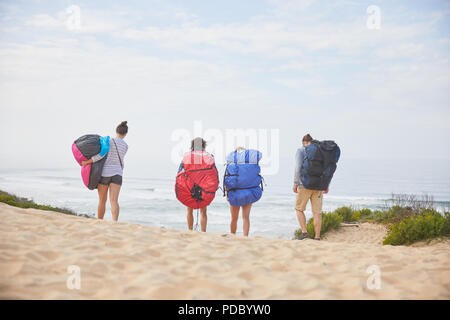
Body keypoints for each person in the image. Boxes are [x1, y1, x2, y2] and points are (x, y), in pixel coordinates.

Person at [82, 121, 129, 221]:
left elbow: (101, 155)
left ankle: (100, 221)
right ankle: (114, 222)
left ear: (116, 131)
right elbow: (121, 160)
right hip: (117, 174)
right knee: (114, 201)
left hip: (105, 174)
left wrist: (87, 162)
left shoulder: (109, 141)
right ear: (125, 134)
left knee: (102, 201)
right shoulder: (125, 146)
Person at [293, 134, 328, 240]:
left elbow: (298, 168)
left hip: (304, 185)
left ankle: (304, 233)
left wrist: (295, 183)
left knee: (299, 209)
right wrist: (326, 184)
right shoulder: (321, 152)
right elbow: (326, 169)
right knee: (317, 212)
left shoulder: (301, 150)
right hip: (319, 186)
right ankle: (317, 237)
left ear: (304, 142)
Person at [177, 137, 215, 232]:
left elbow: (180, 171)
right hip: (203, 187)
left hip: (189, 186)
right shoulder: (209, 156)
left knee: (189, 210)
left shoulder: (187, 156)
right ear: (203, 146)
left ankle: (190, 230)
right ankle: (203, 232)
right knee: (203, 211)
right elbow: (212, 173)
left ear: (192, 146)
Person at [225, 147, 263, 237]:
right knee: (246, 218)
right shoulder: (250, 165)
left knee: (234, 218)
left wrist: (227, 193)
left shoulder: (232, 164)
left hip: (235, 193)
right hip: (249, 192)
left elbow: (228, 179)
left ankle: (232, 235)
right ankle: (245, 237)